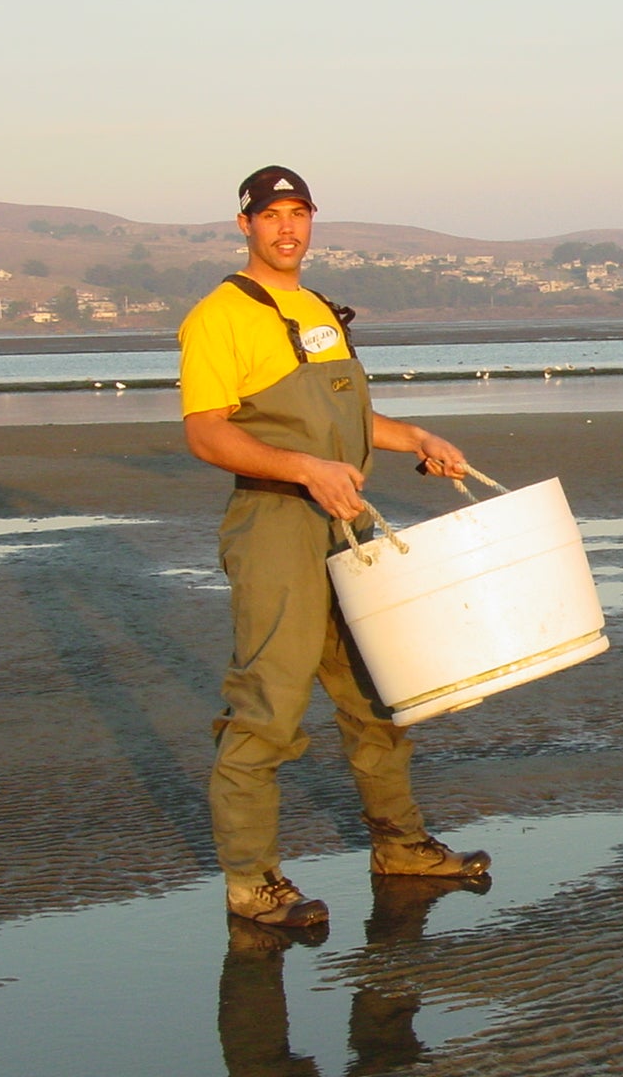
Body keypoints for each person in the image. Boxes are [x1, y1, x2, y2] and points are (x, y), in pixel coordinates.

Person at [179, 165, 492, 927]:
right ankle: (253, 882)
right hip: (276, 525)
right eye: (271, 216)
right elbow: (206, 431)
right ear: (244, 225)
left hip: (344, 520)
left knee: (378, 696)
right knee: (269, 709)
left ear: (311, 221)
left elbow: (349, 422)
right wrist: (303, 470)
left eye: (299, 214)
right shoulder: (217, 317)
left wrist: (415, 437)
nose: (286, 228)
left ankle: (401, 847)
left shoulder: (318, 309)